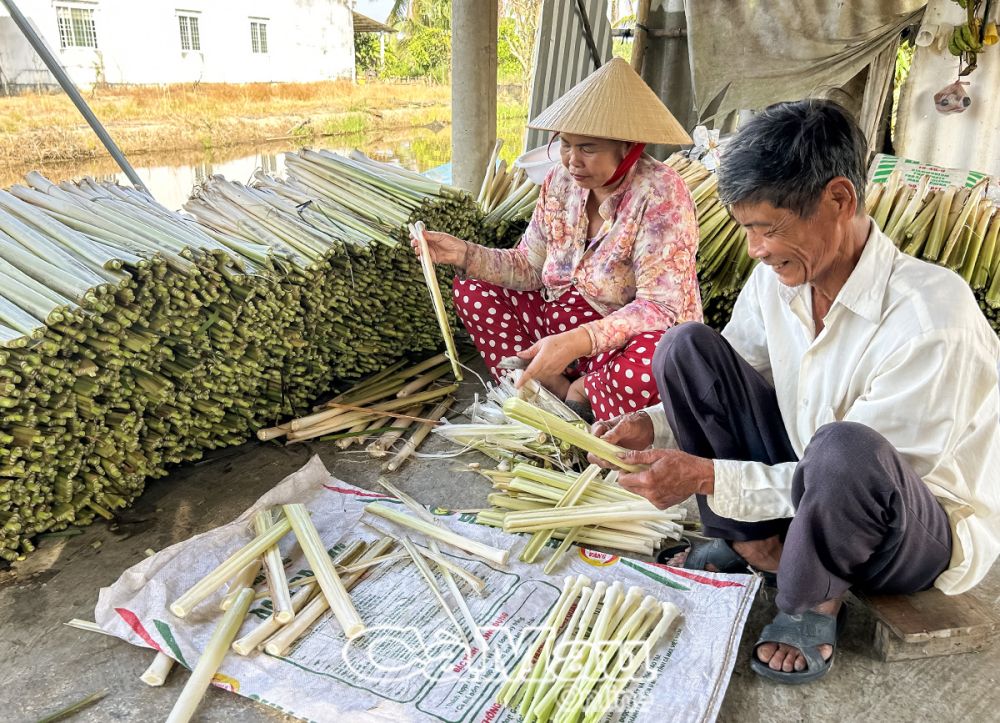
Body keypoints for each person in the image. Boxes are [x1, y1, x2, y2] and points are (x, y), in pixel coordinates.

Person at [591, 99, 1000, 684]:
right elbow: (737, 372)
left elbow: (866, 477)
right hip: (814, 476)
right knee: (685, 350)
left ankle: (811, 598)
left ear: (839, 199)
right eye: (747, 229)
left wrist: (707, 476)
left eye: (770, 227)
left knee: (845, 450)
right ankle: (758, 545)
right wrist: (649, 425)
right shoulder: (777, 281)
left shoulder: (934, 319)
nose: (756, 249)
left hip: (908, 528)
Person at [411, 58, 702, 421]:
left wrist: (577, 342)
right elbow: (529, 269)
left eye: (588, 148)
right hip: (554, 335)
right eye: (565, 144)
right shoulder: (559, 183)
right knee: (473, 290)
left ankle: (581, 392)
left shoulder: (661, 194)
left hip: (621, 344)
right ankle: (541, 385)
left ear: (627, 148)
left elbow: (660, 309)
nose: (571, 160)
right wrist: (465, 253)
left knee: (665, 358)